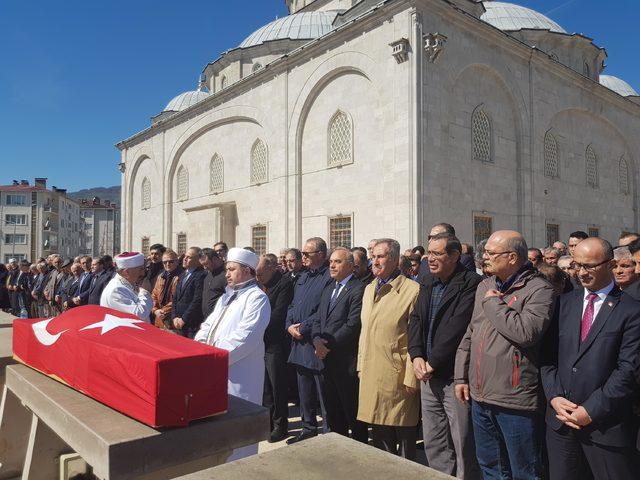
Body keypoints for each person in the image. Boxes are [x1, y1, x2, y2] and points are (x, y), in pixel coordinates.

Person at [454, 230, 555, 479]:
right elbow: (471, 333)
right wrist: (460, 377)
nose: (484, 257)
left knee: (524, 471)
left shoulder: (539, 289)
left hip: (514, 400)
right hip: (480, 395)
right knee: (491, 466)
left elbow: (526, 333)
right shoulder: (486, 286)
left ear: (512, 257)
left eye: (491, 252)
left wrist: (494, 304)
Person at [541, 238, 640, 480]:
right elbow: (547, 358)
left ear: (611, 265)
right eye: (577, 265)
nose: (581, 273)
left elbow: (628, 371)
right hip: (562, 425)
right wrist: (554, 396)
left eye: (590, 266)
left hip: (606, 429)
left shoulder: (631, 311)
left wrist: (590, 410)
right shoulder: (564, 303)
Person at [408, 233, 481, 478]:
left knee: (462, 443)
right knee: (434, 441)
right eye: (429, 253)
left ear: (454, 256)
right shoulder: (427, 280)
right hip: (427, 374)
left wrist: (432, 362)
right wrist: (416, 355)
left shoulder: (471, 282)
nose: (430, 258)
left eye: (438, 254)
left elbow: (457, 327)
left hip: (453, 376)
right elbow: (416, 319)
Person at [195, 247, 270, 459]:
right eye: (226, 269)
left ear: (247, 271)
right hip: (216, 368)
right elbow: (207, 325)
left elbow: (245, 337)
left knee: (240, 433)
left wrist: (213, 358)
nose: (226, 273)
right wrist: (200, 349)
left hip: (240, 374)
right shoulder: (226, 297)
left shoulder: (257, 298)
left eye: (231, 269)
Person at [358, 238, 421, 460]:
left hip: (398, 378)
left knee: (404, 444)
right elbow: (364, 333)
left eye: (380, 256)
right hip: (372, 374)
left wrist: (412, 377)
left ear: (395, 260)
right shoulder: (368, 290)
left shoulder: (412, 290)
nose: (374, 261)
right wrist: (360, 367)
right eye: (373, 256)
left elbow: (416, 337)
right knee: (380, 441)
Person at [311, 247, 368, 443]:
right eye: (331, 262)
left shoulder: (358, 289)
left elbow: (352, 324)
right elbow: (318, 318)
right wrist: (316, 340)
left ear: (351, 266)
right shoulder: (328, 288)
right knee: (333, 411)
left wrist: (328, 345)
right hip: (325, 360)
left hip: (346, 362)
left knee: (352, 412)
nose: (332, 265)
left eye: (338, 262)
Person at [285, 237, 333, 445]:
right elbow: (293, 305)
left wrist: (302, 328)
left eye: (307, 254)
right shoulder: (303, 276)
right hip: (298, 343)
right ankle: (308, 427)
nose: (303, 257)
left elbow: (322, 311)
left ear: (320, 255)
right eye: (303, 253)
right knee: (304, 390)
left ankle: (329, 431)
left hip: (315, 342)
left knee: (323, 392)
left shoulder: (328, 278)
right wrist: (288, 326)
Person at [256, 254, 294, 443]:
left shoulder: (284, 284)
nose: (258, 277)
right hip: (260, 343)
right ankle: (267, 423)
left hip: (275, 343)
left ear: (271, 267)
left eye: (261, 272)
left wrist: (255, 327)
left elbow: (278, 315)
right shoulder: (259, 284)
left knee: (277, 386)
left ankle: (280, 425)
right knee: (265, 388)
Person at [100, 252, 153, 321]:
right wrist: (145, 292)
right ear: (127, 272)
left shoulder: (127, 284)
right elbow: (139, 315)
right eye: (140, 270)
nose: (143, 273)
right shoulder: (116, 290)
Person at [171, 247, 207, 338]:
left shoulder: (201, 275)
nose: (185, 259)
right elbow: (175, 298)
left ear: (198, 260)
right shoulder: (182, 275)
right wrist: (174, 317)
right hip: (178, 323)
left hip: (192, 325)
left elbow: (197, 300)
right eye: (185, 256)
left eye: (189, 257)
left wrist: (184, 319)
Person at [151, 249, 181, 329]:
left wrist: (163, 311)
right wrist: (155, 310)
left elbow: (177, 299)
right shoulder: (161, 276)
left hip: (174, 319)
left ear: (177, 262)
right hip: (159, 318)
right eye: (164, 262)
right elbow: (154, 294)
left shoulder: (182, 276)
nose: (167, 264)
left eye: (171, 262)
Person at [201, 248, 226, 318]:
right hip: (207, 320)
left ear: (215, 259)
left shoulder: (226, 275)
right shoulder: (208, 276)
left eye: (206, 264)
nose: (205, 268)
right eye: (202, 265)